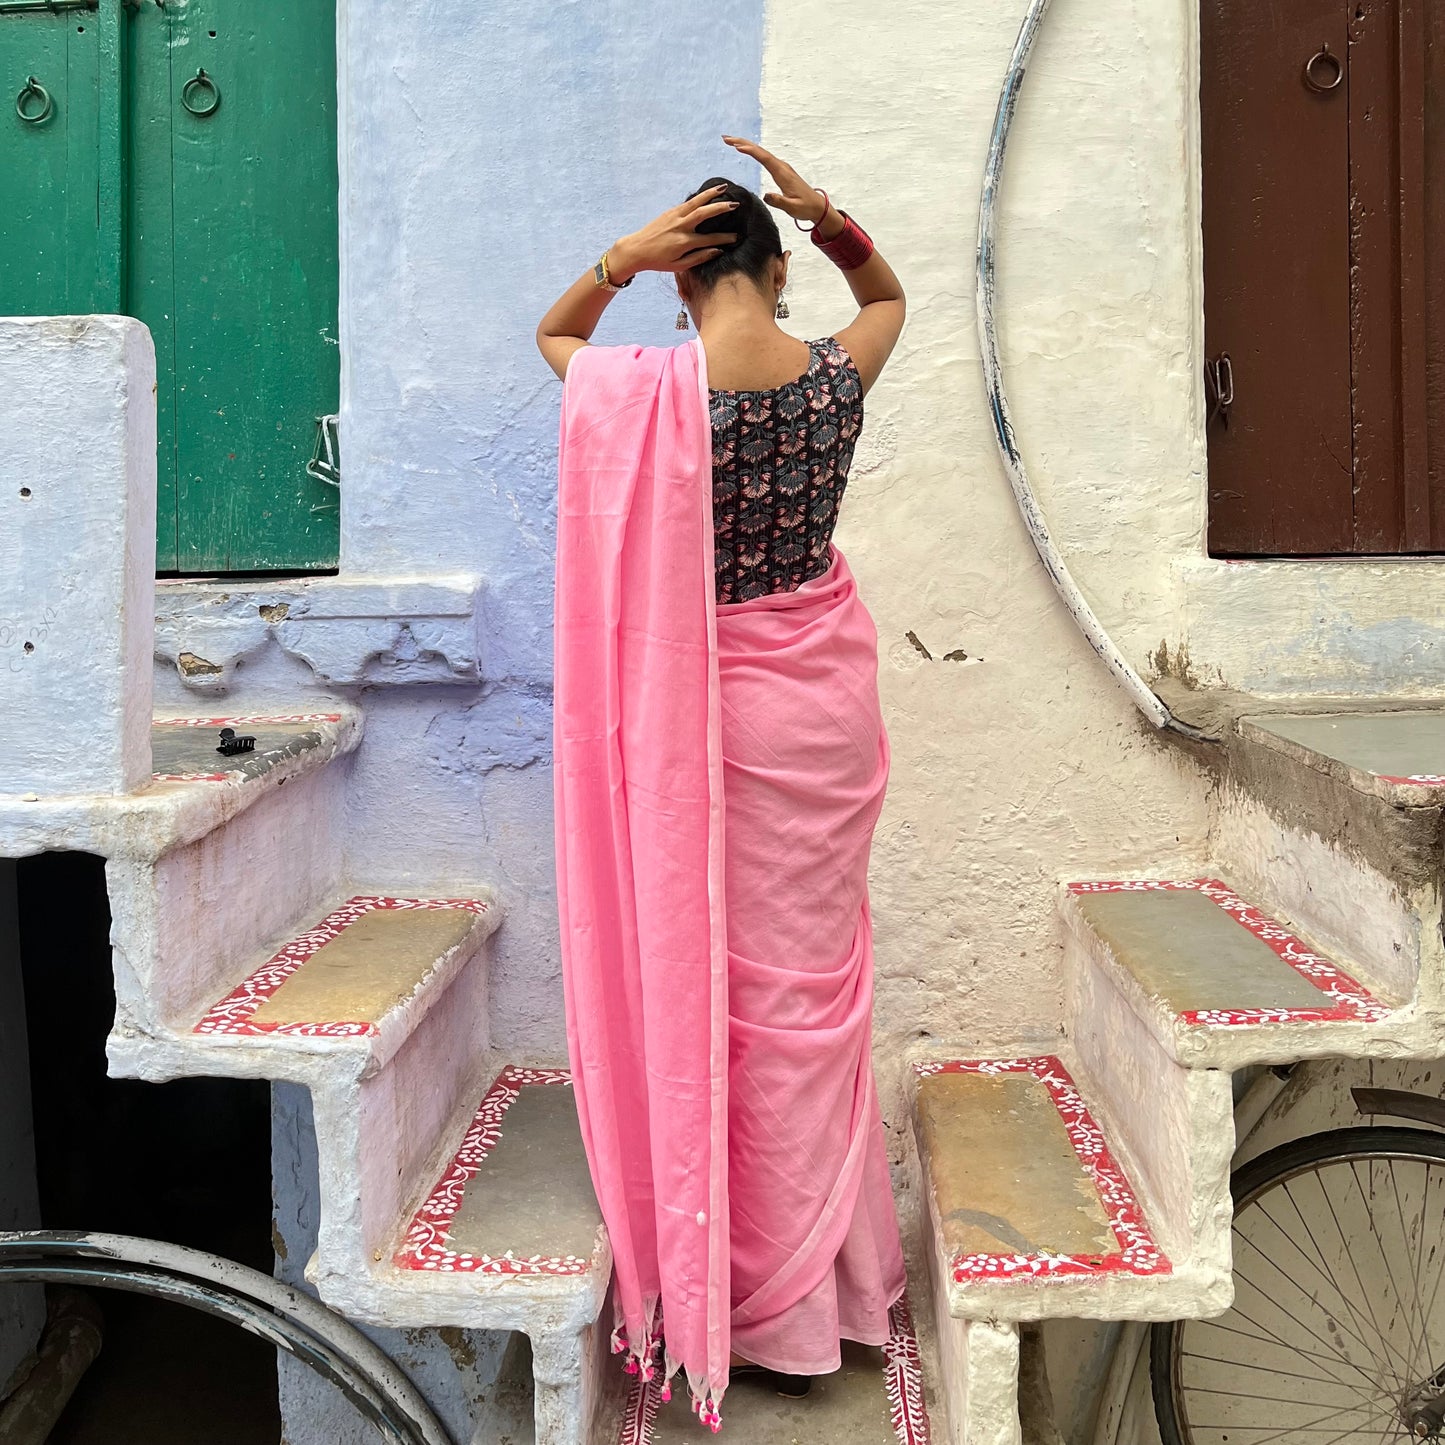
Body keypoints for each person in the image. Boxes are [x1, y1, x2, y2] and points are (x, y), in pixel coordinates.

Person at [537, 136, 907, 1432]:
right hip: (824, 722)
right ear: (769, 265)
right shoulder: (829, 378)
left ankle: (750, 1301)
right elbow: (888, 301)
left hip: (717, 727)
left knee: (729, 1011)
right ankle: (830, 1297)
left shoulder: (646, 395)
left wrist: (613, 262)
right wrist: (830, 215)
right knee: (814, 1008)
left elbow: (553, 342)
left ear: (688, 278)